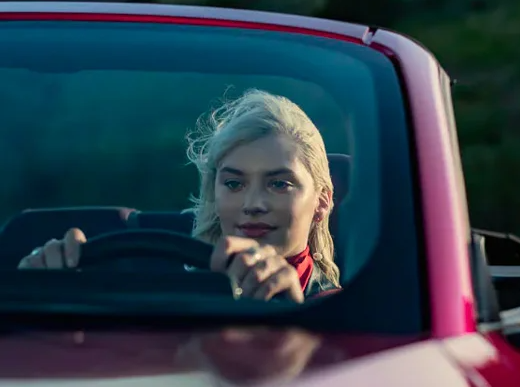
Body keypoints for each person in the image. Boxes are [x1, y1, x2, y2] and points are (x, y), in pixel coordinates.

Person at [16, 89, 342, 303]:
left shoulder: (345, 313)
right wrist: (41, 294)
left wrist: (298, 316)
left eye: (279, 184)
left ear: (322, 201)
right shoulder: (168, 294)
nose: (252, 204)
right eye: (234, 184)